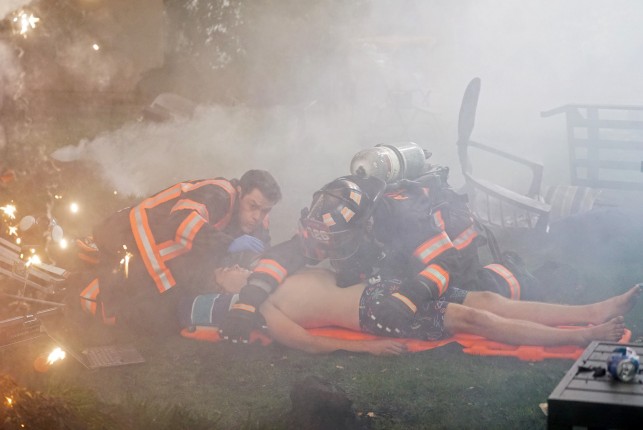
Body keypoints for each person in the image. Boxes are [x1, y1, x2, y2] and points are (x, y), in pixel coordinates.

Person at [220, 171, 536, 343]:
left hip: (451, 245)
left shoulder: (404, 216)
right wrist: (249, 299)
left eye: (340, 242)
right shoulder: (335, 217)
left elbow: (444, 263)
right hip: (396, 258)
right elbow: (286, 255)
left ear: (365, 226)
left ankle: (515, 275)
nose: (332, 250)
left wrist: (409, 298)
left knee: (476, 292)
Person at [185, 266, 639, 355]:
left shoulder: (274, 269)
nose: (233, 268)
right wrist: (368, 348)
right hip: (375, 313)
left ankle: (593, 308)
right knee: (476, 320)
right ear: (222, 287)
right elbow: (302, 341)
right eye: (225, 270)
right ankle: (580, 335)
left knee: (485, 300)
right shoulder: (260, 304)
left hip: (390, 286)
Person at [78, 169, 281, 336]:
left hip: (163, 249)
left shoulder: (258, 219)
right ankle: (87, 285)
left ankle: (102, 267)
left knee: (160, 314)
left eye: (265, 210)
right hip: (131, 232)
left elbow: (263, 258)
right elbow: (183, 223)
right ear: (240, 192)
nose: (257, 216)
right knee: (131, 306)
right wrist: (227, 244)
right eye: (253, 206)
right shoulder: (220, 193)